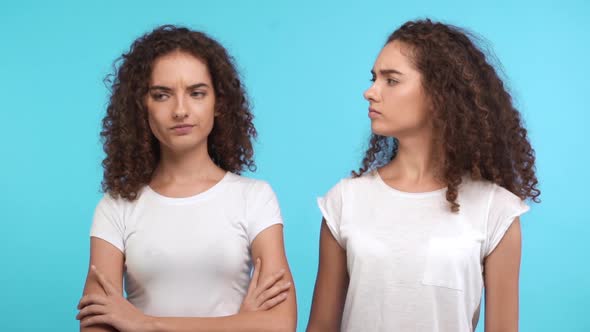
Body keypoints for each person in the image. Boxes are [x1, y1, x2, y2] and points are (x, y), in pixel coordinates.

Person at [307, 19, 540, 332]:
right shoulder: (344, 201)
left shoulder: (496, 210)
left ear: (438, 93)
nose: (370, 92)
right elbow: (321, 327)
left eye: (391, 80)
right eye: (374, 78)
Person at [76, 25, 297, 332]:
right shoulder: (116, 207)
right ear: (142, 106)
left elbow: (279, 324)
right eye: (162, 95)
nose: (180, 110)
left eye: (196, 93)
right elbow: (97, 326)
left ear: (218, 103)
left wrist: (144, 324)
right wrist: (239, 325)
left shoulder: (254, 198)